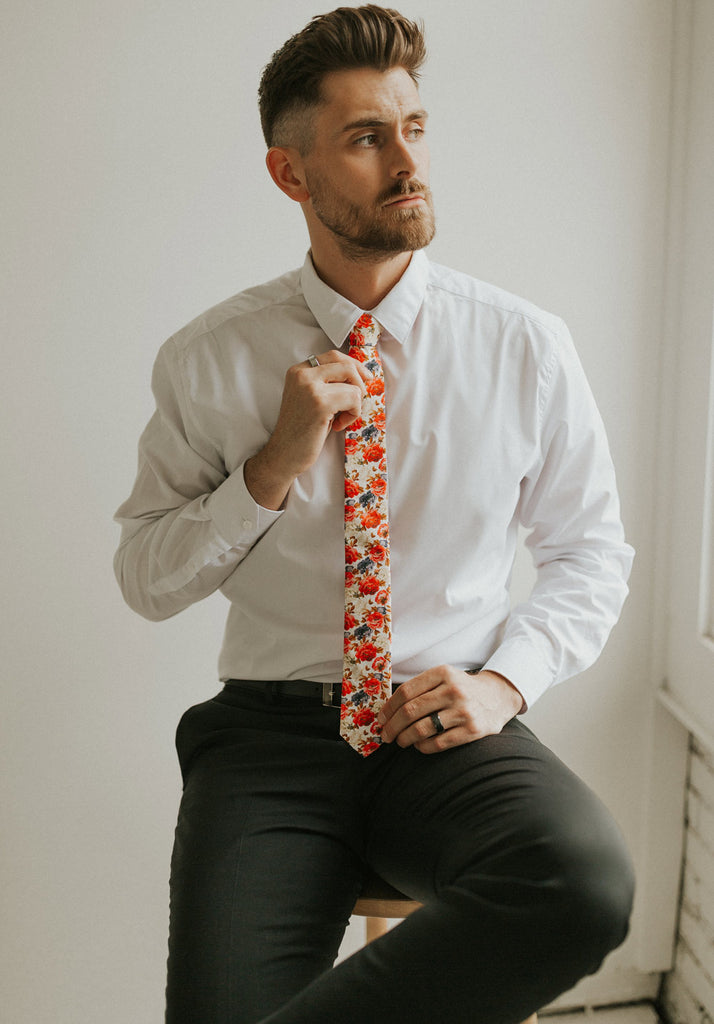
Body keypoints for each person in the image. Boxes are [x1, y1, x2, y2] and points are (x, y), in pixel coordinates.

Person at [114, 6, 636, 1023]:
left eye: (415, 128)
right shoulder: (208, 358)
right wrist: (271, 465)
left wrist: (502, 683)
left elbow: (590, 553)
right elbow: (146, 578)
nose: (409, 161)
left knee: (582, 883)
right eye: (366, 137)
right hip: (269, 739)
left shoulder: (523, 345)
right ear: (291, 174)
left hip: (448, 723)